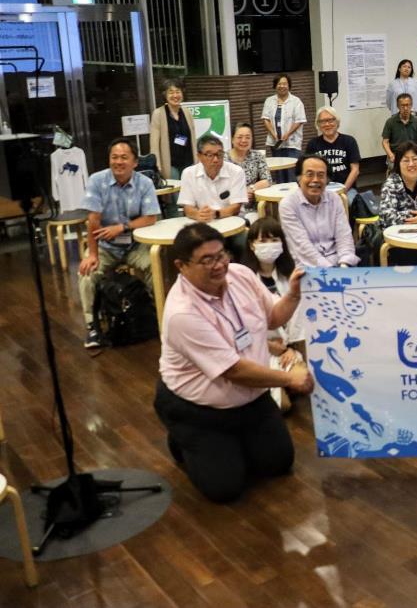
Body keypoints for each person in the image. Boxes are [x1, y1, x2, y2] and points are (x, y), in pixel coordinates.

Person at [154, 222, 314, 503]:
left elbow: (273, 318)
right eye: (206, 260)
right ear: (181, 266)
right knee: (225, 488)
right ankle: (182, 437)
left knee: (278, 463)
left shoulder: (240, 275)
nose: (218, 265)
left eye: (221, 255)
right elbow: (234, 371)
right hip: (199, 408)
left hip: (252, 396)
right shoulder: (182, 313)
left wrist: (293, 295)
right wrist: (290, 378)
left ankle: (234, 442)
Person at [78, 139, 160, 348]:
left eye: (124, 157)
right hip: (105, 246)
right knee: (87, 272)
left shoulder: (145, 183)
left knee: (155, 265)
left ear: (135, 162)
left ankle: (158, 315)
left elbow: (150, 218)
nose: (118, 162)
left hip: (136, 243)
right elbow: (92, 221)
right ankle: (92, 326)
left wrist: (122, 227)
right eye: (114, 157)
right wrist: (92, 254)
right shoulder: (97, 181)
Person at [243, 217, 304, 412]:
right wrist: (271, 347)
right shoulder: (243, 279)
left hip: (286, 348)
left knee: (304, 380)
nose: (269, 245)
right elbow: (242, 329)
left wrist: (290, 349)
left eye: (274, 240)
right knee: (281, 406)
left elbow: (298, 319)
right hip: (256, 350)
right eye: (263, 241)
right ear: (251, 245)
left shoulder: (290, 276)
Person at [278, 155, 359, 268]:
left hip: (339, 263)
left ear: (327, 180)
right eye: (309, 174)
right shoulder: (288, 204)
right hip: (307, 266)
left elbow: (344, 236)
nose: (315, 180)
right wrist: (330, 271)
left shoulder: (334, 199)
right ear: (299, 178)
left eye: (321, 175)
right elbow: (302, 246)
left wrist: (344, 263)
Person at [178, 137, 247, 221]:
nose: (215, 160)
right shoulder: (188, 173)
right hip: (203, 222)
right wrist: (198, 214)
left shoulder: (236, 171)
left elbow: (236, 207)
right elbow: (187, 207)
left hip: (231, 219)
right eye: (210, 155)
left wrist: (215, 214)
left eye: (219, 154)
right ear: (199, 156)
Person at [261, 73, 306, 184]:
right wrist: (273, 134)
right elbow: (266, 119)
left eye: (285, 84)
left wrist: (288, 134)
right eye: (279, 84)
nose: (282, 86)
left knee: (292, 173)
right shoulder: (269, 101)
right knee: (279, 173)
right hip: (276, 143)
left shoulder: (296, 101)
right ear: (275, 85)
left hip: (292, 144)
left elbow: (299, 120)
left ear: (289, 85)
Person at [305, 106, 361, 191]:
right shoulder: (312, 144)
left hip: (346, 188)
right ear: (318, 124)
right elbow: (308, 171)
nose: (327, 124)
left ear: (337, 122)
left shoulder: (349, 141)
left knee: (350, 199)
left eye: (330, 120)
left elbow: (355, 170)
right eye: (323, 121)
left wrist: (343, 191)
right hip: (321, 190)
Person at [149, 77, 193, 179]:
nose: (175, 95)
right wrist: (156, 165)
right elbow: (154, 144)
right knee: (175, 189)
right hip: (169, 164)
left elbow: (191, 140)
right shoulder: (158, 114)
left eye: (178, 92)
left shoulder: (187, 112)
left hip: (188, 162)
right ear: (165, 95)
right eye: (171, 92)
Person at [227, 122, 271, 218]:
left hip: (253, 208)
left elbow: (267, 180)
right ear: (232, 139)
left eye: (248, 137)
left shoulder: (257, 156)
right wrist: (241, 194)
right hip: (230, 208)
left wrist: (252, 188)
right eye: (240, 137)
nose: (244, 140)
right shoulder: (224, 159)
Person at [381, 93, 417, 169]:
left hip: (412, 154)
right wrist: (391, 155)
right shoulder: (390, 122)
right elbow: (385, 142)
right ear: (398, 106)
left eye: (408, 105)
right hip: (396, 155)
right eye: (402, 105)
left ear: (411, 105)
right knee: (396, 168)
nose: (405, 108)